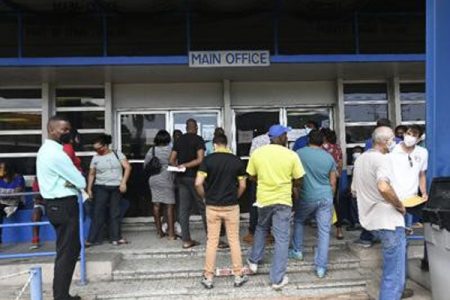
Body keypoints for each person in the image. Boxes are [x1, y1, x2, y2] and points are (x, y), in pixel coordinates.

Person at [246, 124, 305, 290]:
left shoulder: (258, 153)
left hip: (264, 199)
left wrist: (263, 182)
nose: (287, 137)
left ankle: (254, 262)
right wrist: (290, 183)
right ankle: (277, 279)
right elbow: (300, 179)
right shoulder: (291, 155)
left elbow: (250, 176)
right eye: (285, 135)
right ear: (280, 137)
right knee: (282, 238)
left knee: (261, 227)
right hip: (283, 201)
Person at [352, 126, 406, 300]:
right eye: (393, 139)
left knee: (391, 270)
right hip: (389, 221)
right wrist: (399, 205)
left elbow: (354, 190)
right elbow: (383, 186)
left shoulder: (360, 160)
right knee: (394, 274)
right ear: (385, 141)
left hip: (370, 221)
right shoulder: (383, 160)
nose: (395, 142)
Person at [36, 115, 86, 300]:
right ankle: (61, 296)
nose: (68, 132)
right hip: (63, 205)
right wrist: (73, 181)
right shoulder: (56, 154)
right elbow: (80, 180)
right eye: (63, 129)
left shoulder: (46, 150)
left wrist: (69, 182)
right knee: (68, 252)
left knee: (68, 250)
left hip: (56, 205)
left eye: (68, 129)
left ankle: (62, 294)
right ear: (51, 130)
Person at [195, 134, 248, 289]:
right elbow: (243, 186)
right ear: (226, 144)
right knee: (234, 240)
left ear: (214, 144)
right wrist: (235, 197)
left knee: (212, 241)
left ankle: (208, 277)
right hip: (231, 206)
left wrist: (205, 197)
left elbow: (198, 183)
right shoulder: (236, 161)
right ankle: (238, 275)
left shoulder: (207, 160)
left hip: (212, 206)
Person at [389, 125, 429, 299]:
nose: (409, 137)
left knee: (404, 241)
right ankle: (398, 284)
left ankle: (401, 283)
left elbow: (421, 174)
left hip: (412, 200)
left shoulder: (422, 152)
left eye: (413, 135)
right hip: (394, 201)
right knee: (397, 242)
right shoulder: (393, 149)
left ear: (419, 138)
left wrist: (424, 192)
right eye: (407, 134)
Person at [290, 130, 336, 278]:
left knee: (298, 220)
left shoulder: (299, 153)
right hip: (325, 197)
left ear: (308, 139)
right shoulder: (328, 157)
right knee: (324, 231)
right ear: (323, 141)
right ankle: (321, 267)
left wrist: (296, 194)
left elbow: (294, 176)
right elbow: (333, 182)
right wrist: (331, 197)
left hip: (307, 196)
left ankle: (297, 251)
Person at [86, 134, 132, 246]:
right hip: (100, 187)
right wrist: (89, 189)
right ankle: (92, 239)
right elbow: (92, 174)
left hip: (116, 187)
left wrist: (123, 182)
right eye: (95, 149)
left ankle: (116, 237)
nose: (98, 151)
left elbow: (127, 167)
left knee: (115, 213)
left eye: (100, 148)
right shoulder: (95, 157)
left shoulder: (117, 154)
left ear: (106, 145)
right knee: (98, 213)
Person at [169, 119, 206, 249]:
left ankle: (186, 240)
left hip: (181, 178)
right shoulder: (198, 139)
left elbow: (171, 159)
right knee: (203, 207)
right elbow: (200, 159)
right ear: (195, 127)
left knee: (184, 209)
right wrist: (186, 165)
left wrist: (178, 167)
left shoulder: (179, 140)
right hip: (195, 177)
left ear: (186, 128)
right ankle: (213, 238)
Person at [144, 129, 176, 239]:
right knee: (169, 206)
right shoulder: (171, 150)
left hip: (154, 179)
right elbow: (175, 164)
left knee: (156, 205)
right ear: (168, 139)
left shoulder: (151, 150)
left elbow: (145, 165)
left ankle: (159, 232)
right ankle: (171, 234)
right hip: (167, 178)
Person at [243, 129, 272, 245]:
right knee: (269, 205)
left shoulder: (256, 140)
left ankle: (252, 232)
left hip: (258, 177)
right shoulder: (276, 142)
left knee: (255, 205)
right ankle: (267, 233)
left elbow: (252, 157)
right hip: (271, 177)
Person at [321, 128, 344, 240]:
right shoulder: (337, 147)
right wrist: (338, 174)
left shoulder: (320, 148)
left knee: (322, 203)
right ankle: (339, 230)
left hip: (322, 178)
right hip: (335, 177)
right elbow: (340, 163)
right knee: (335, 202)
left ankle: (324, 228)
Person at [0, 161, 25, 244]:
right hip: (2, 203)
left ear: (7, 170)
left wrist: (3, 193)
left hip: (16, 203)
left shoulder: (18, 178)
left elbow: (16, 194)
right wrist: (10, 192)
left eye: (1, 168)